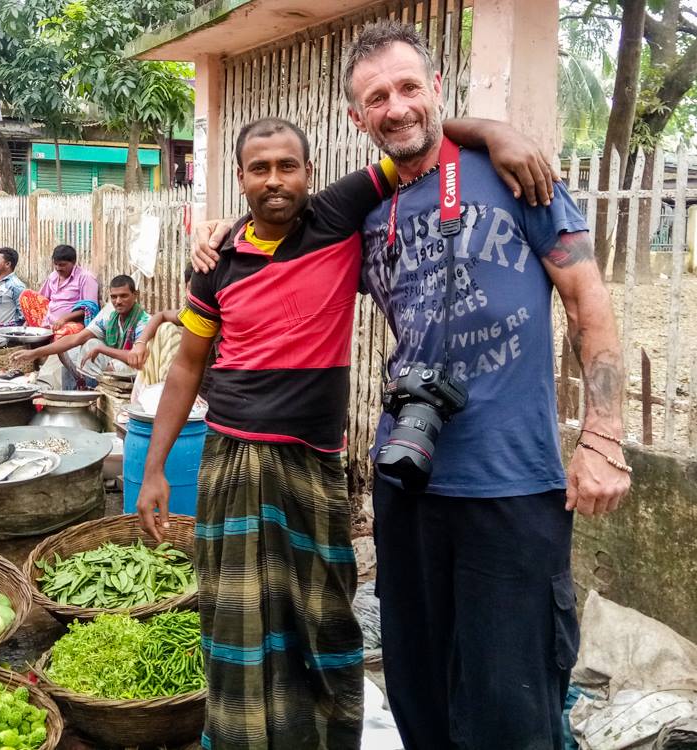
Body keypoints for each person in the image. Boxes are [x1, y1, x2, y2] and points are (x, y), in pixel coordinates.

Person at [186, 23, 631, 750]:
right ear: (358, 119)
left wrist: (604, 438)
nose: (396, 107)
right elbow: (277, 228)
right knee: (421, 693)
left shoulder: (515, 174)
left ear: (436, 93)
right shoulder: (362, 217)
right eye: (376, 98)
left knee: (511, 706)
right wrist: (215, 232)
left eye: (409, 88)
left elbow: (588, 302)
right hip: (407, 483)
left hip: (511, 483)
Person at [11, 275, 148, 374]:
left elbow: (135, 357)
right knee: (74, 349)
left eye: (124, 296)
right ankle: (87, 388)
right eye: (114, 297)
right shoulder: (110, 316)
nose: (118, 301)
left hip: (138, 368)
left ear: (135, 295)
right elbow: (75, 339)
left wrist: (103, 350)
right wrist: (34, 353)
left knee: (96, 348)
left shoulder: (144, 321)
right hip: (115, 360)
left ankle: (94, 391)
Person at [22, 244, 100, 328]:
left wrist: (64, 319)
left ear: (73, 262)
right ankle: (42, 330)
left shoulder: (86, 278)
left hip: (71, 323)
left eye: (62, 265)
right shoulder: (53, 276)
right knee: (26, 295)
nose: (58, 268)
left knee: (65, 332)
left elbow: (90, 308)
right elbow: (41, 299)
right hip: (48, 320)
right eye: (55, 264)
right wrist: (28, 319)